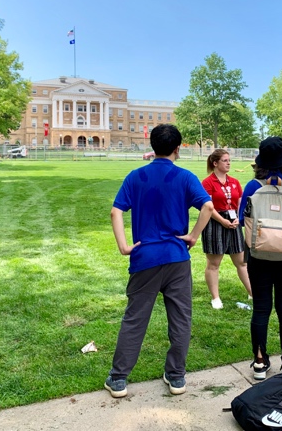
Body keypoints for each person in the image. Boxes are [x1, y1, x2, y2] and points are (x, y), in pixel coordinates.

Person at [104, 124, 213, 398]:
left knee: (135, 318)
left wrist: (123, 246)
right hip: (176, 257)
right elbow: (208, 206)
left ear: (152, 147)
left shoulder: (136, 176)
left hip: (145, 258)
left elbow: (116, 212)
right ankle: (176, 376)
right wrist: (193, 236)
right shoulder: (185, 177)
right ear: (178, 148)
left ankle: (118, 378)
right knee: (181, 318)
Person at [239, 136, 282, 380]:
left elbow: (242, 220)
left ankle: (260, 361)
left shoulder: (252, 186)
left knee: (261, 308)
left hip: (258, 255)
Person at [201, 149, 252, 309]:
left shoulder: (234, 182)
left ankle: (252, 293)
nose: (229, 163)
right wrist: (222, 220)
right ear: (215, 163)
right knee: (214, 263)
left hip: (233, 221)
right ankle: (215, 298)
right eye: (225, 160)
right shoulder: (208, 183)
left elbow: (240, 202)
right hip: (215, 222)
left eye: (229, 160)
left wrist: (237, 218)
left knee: (242, 261)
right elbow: (208, 206)